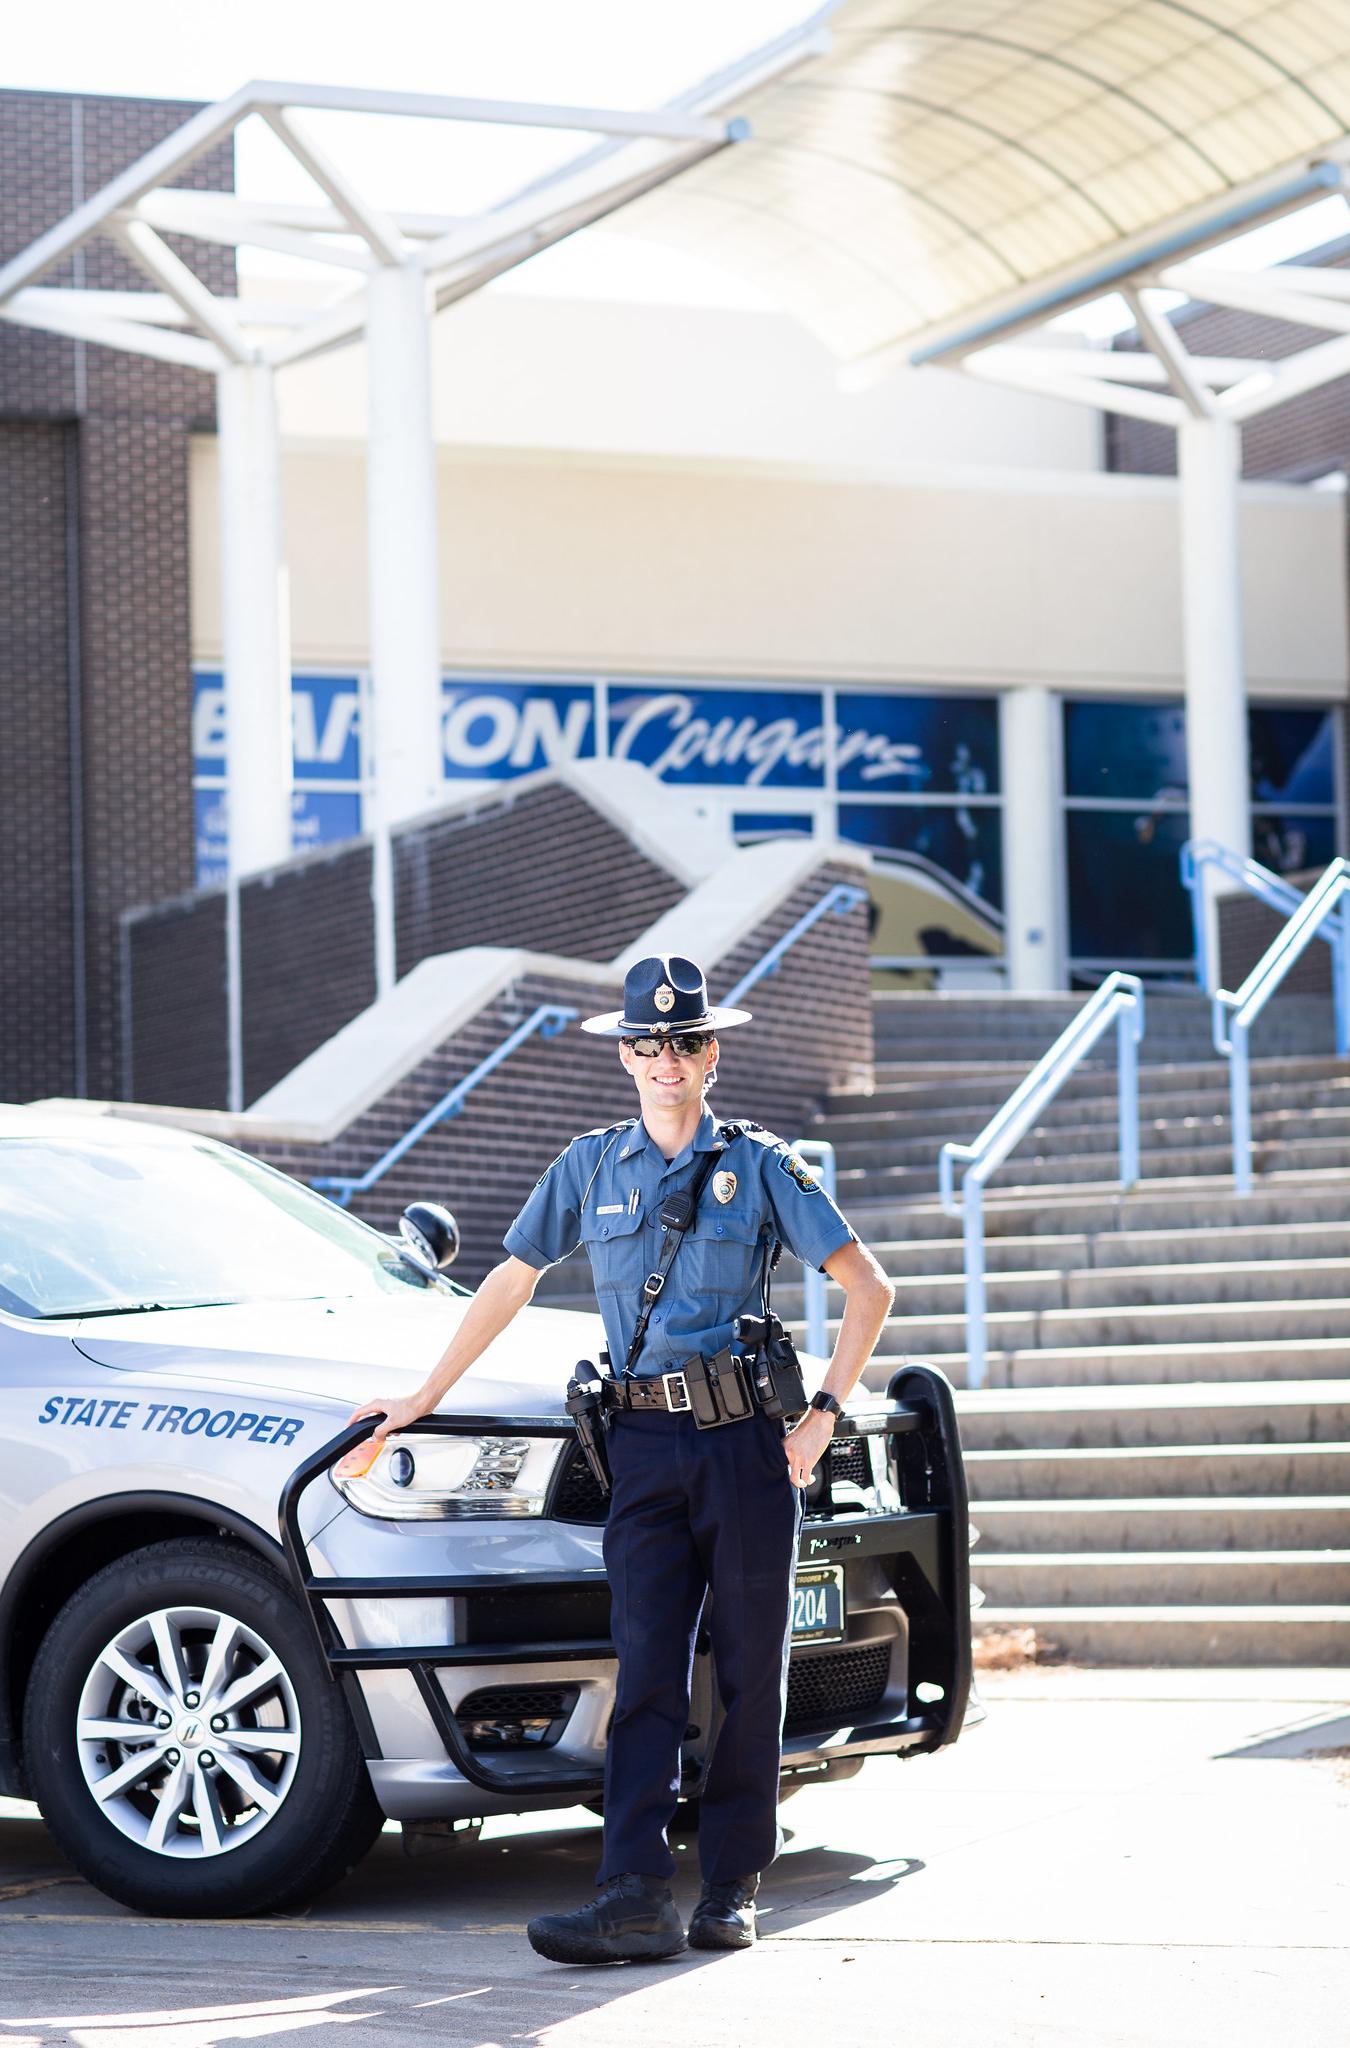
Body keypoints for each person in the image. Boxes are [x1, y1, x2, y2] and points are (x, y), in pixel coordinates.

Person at [343, 953, 894, 1965]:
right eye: (649, 1044)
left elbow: (869, 1286)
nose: (666, 1061)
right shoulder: (589, 1166)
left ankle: (730, 1884)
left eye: (684, 1043)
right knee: (644, 1668)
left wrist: (823, 1414)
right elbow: (511, 1278)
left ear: (710, 1052)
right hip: (639, 1444)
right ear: (628, 1054)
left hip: (742, 1446)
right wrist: (423, 1395)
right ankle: (633, 1893)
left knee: (746, 1669)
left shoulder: (762, 1165)